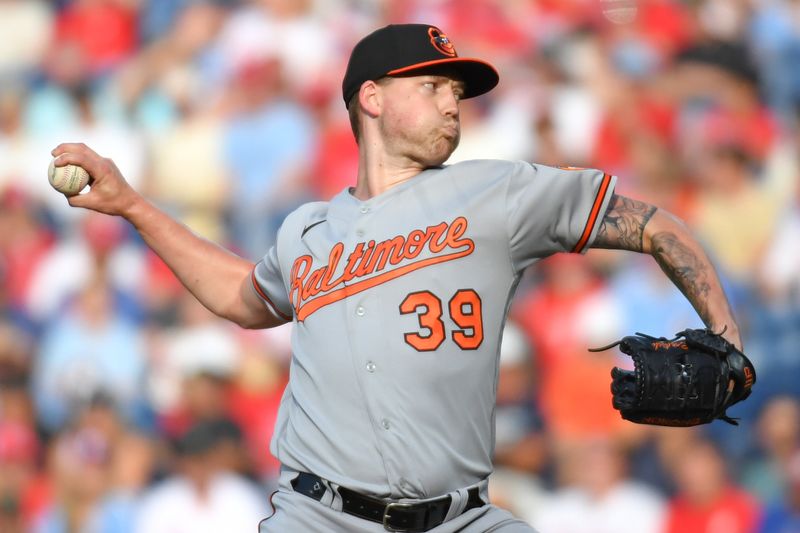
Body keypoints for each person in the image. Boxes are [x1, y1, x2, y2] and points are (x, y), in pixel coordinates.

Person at [50, 23, 742, 533]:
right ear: (372, 98)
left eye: (457, 92)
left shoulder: (499, 193)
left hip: (463, 520)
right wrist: (133, 206)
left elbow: (652, 223)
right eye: (435, 85)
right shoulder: (306, 230)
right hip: (317, 517)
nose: (453, 103)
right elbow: (242, 297)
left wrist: (725, 334)